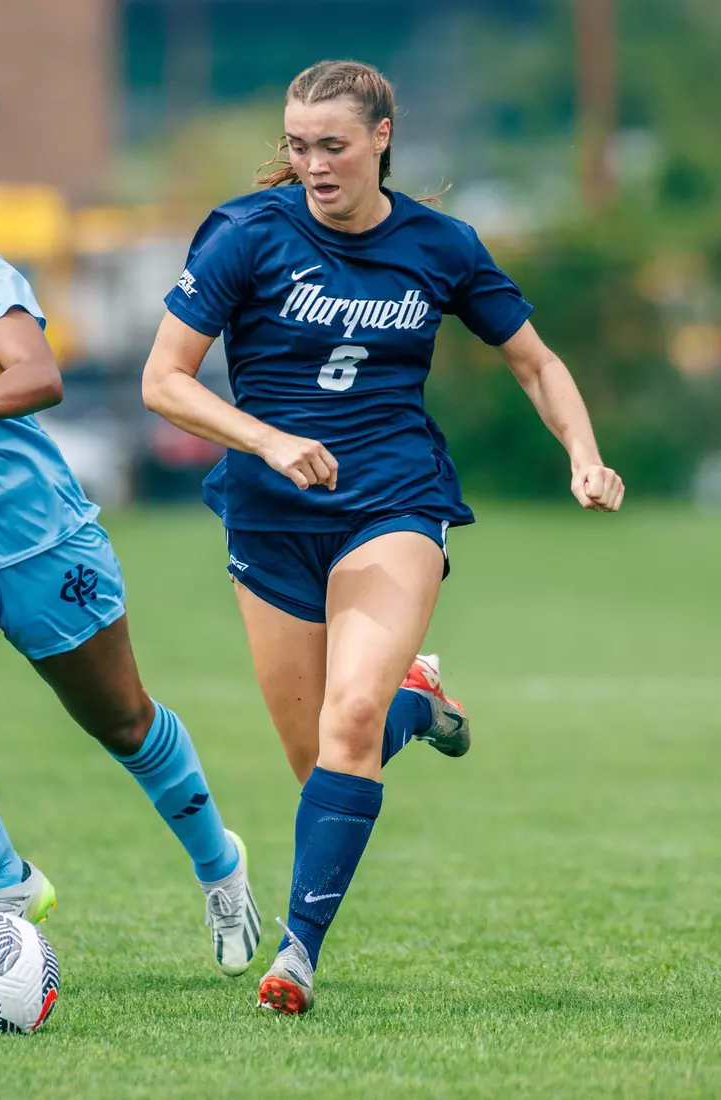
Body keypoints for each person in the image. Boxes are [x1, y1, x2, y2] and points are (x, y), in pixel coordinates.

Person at [142, 59, 624, 1015]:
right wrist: (270, 440)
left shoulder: (440, 245)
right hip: (271, 514)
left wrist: (583, 452)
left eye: (332, 146)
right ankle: (421, 700)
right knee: (321, 758)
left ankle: (296, 957)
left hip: (392, 500)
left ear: (381, 139)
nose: (313, 165)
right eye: (297, 146)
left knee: (347, 723)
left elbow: (533, 361)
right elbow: (166, 380)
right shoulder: (245, 236)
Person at [0, 144, 260, 978]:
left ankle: (220, 868)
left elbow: (38, 374)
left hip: (41, 545)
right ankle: (10, 884)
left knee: (122, 724)